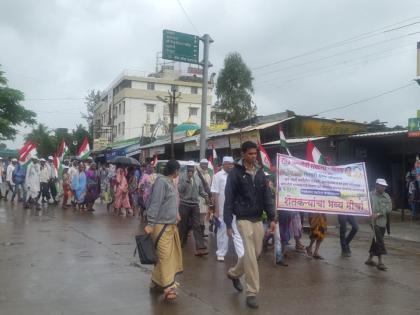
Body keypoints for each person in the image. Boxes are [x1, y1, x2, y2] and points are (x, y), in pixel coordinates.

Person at [224, 141, 276, 309]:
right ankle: (252, 292)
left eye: (255, 154)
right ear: (243, 154)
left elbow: (267, 196)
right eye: (251, 154)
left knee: (256, 253)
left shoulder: (260, 172)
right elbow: (229, 198)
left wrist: (273, 218)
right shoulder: (235, 173)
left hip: (258, 218)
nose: (254, 157)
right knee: (251, 256)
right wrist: (228, 224)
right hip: (242, 218)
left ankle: (233, 273)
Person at [144, 159, 182, 302]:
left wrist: (176, 214)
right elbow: (155, 203)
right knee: (165, 256)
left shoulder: (170, 182)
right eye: (179, 170)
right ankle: (168, 287)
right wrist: (151, 223)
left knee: (166, 257)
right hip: (160, 225)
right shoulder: (161, 182)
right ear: (176, 171)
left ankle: (155, 280)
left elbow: (172, 201)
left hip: (170, 225)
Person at [211, 156, 244, 262]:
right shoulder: (217, 176)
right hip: (221, 209)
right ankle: (221, 253)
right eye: (229, 164)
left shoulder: (235, 175)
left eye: (232, 164)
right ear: (224, 164)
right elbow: (215, 193)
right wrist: (216, 210)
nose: (231, 166)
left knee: (236, 231)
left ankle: (241, 254)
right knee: (222, 232)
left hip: (234, 209)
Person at [178, 161, 210, 256]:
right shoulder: (182, 176)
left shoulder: (197, 178)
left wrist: (206, 197)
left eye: (192, 167)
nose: (190, 169)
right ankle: (179, 244)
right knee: (183, 225)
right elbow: (180, 190)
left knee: (197, 226)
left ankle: (200, 248)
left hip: (195, 204)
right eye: (189, 167)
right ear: (187, 168)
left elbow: (201, 190)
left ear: (194, 168)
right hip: (184, 204)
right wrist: (187, 180)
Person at [365, 178, 392, 271]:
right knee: (379, 240)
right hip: (373, 222)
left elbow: (389, 209)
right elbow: (365, 206)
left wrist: (379, 214)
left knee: (376, 240)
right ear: (376, 185)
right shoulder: (370, 195)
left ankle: (369, 259)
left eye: (384, 186)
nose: (383, 188)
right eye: (381, 186)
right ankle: (380, 262)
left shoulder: (386, 196)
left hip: (383, 222)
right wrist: (369, 213)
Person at [196, 159, 213, 236]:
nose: (205, 166)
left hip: (206, 198)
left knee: (204, 215)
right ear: (200, 164)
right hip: (199, 198)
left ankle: (201, 232)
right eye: (203, 164)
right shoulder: (196, 174)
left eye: (206, 164)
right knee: (199, 215)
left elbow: (209, 187)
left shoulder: (208, 175)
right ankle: (198, 233)